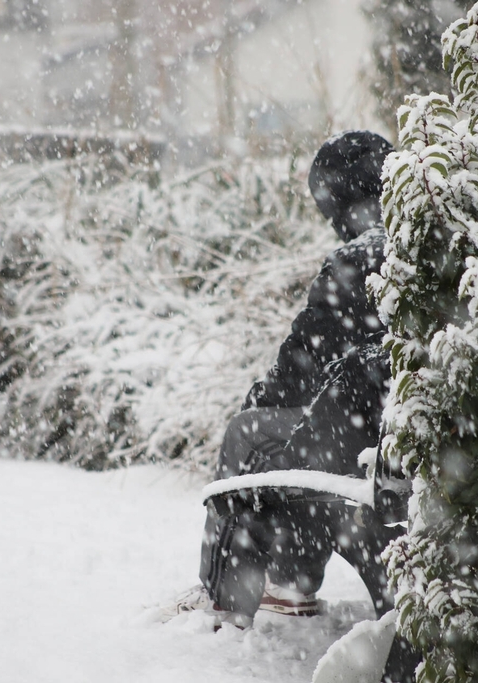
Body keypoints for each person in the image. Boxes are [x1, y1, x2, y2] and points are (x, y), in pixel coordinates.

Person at [168, 131, 397, 629]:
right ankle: (289, 582)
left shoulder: (358, 263)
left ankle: (231, 601)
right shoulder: (434, 244)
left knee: (250, 435)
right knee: (308, 443)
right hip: (410, 440)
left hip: (368, 445)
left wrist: (258, 402)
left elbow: (297, 370)